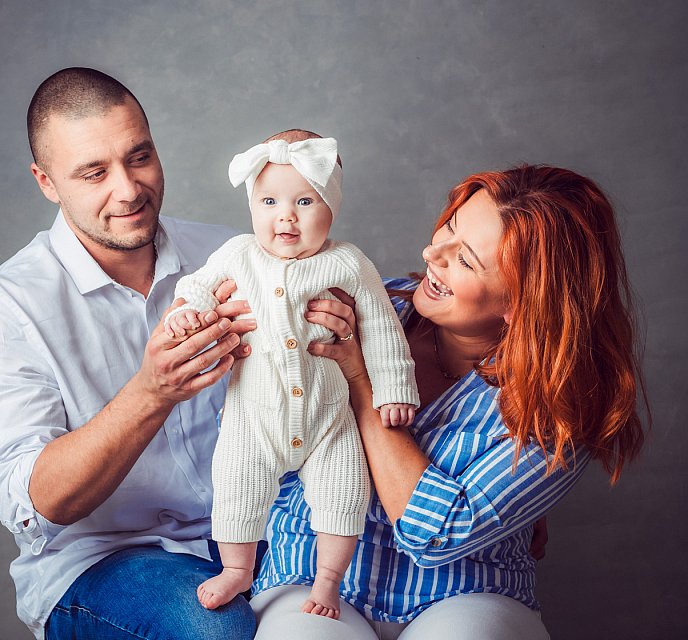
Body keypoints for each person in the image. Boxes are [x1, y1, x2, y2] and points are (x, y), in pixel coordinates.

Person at [250, 165, 648, 639]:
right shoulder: (364, 309)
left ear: (524, 301)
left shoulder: (563, 402)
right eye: (449, 230)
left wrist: (361, 383)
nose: (431, 254)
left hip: (468, 591)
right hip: (313, 573)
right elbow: (258, 429)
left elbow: (436, 534)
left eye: (466, 261)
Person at [0, 67, 259, 640]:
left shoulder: (229, 254)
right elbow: (38, 502)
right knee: (219, 631)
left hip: (260, 528)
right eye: (94, 173)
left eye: (139, 157)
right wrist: (151, 393)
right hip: (104, 560)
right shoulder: (2, 310)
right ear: (46, 181)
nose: (128, 189)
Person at [164, 130, 419, 617]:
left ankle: (327, 582)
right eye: (269, 201)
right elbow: (198, 286)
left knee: (343, 494)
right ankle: (237, 569)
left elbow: (385, 330)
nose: (285, 215)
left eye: (305, 200)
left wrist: (393, 390)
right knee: (237, 484)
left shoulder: (347, 262)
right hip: (254, 419)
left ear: (332, 208)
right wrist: (184, 310)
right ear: (252, 206)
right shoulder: (240, 254)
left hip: (330, 420)